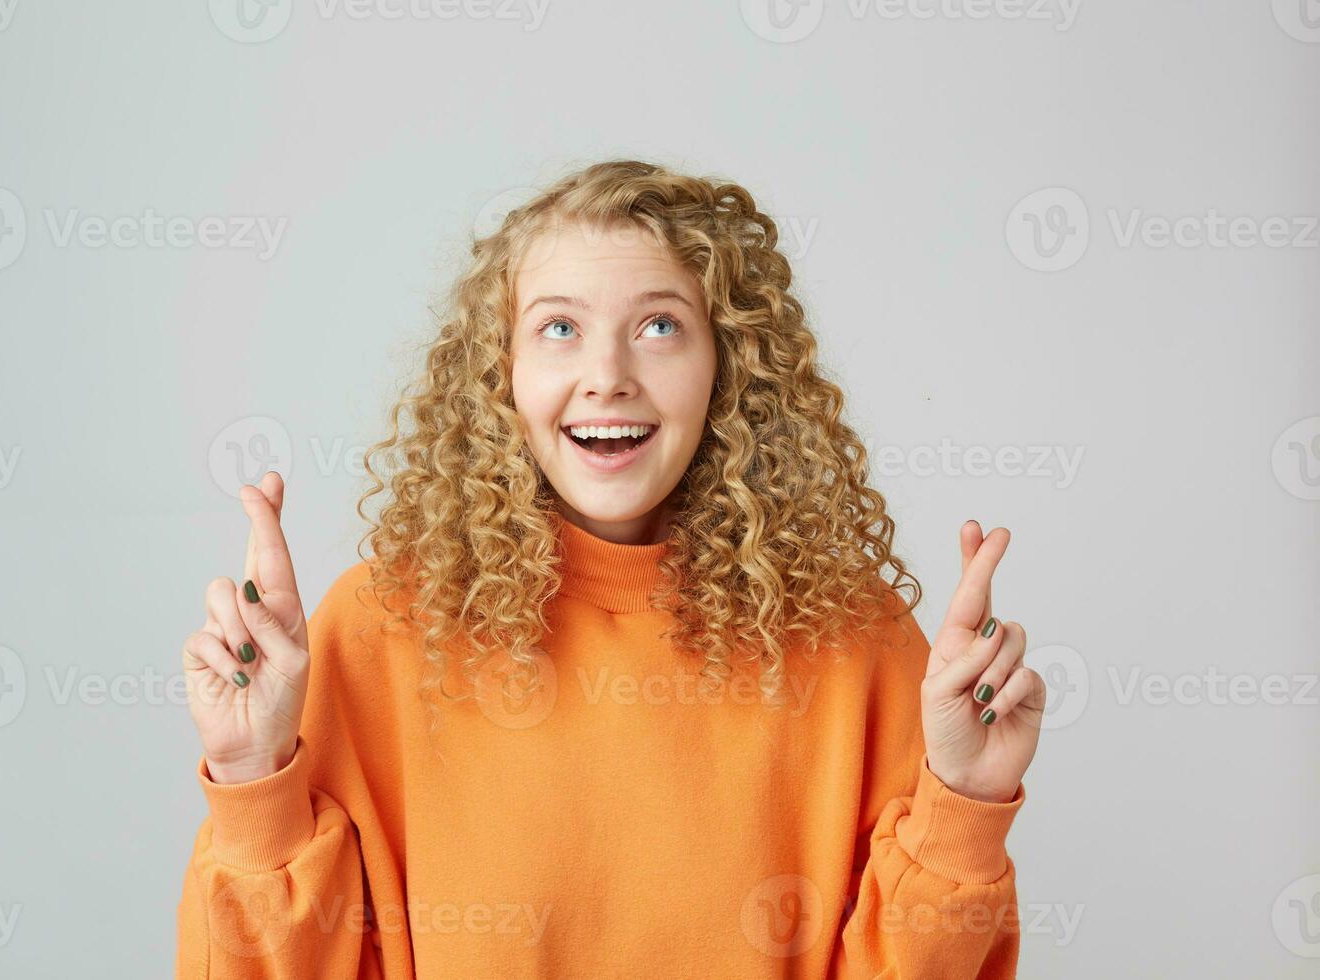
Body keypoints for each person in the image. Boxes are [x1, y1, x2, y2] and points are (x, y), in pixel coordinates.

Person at [175, 159, 1046, 978]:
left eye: (659, 327)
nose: (607, 377)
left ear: (727, 368)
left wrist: (964, 805)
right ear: (502, 375)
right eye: (559, 329)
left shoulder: (851, 635)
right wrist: (255, 781)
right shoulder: (383, 625)